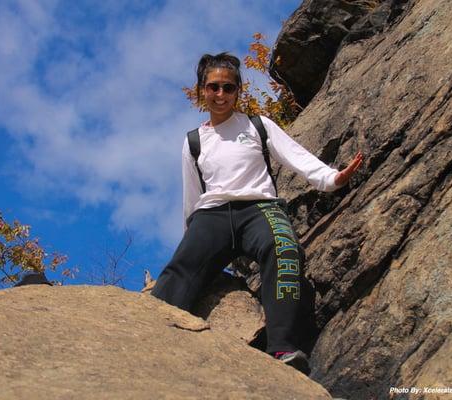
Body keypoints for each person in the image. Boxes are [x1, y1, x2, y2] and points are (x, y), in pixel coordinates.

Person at [151, 52, 362, 374]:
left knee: (285, 250)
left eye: (228, 88)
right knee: (180, 270)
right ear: (201, 91)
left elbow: (297, 157)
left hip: (259, 209)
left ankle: (283, 349)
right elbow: (191, 197)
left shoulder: (257, 126)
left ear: (238, 91)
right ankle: (149, 337)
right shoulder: (193, 141)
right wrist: (192, 243)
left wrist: (331, 178)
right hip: (211, 216)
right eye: (213, 87)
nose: (220, 95)